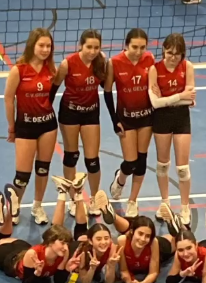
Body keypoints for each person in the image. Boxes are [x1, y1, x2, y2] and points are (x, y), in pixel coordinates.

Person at [0, 182, 82, 283]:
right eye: (62, 243)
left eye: (67, 244)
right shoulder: (33, 255)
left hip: (23, 247)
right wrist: (37, 273)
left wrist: (66, 268)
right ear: (50, 242)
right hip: (9, 258)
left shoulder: (63, 254)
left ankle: (10, 212)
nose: (65, 247)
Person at [50, 29, 107, 218]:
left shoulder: (101, 61)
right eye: (89, 47)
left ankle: (94, 198)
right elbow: (53, 89)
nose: (92, 51)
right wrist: (46, 112)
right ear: (80, 46)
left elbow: (105, 85)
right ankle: (74, 199)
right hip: (70, 112)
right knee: (71, 155)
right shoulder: (68, 64)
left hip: (91, 113)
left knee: (92, 160)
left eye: (96, 47)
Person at [4, 27, 57, 226]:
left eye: (48, 46)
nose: (45, 49)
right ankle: (15, 206)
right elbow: (9, 99)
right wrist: (12, 127)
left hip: (48, 126)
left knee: (43, 169)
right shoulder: (19, 70)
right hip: (25, 127)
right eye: (41, 45)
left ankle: (38, 206)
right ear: (32, 45)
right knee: (22, 175)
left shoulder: (52, 69)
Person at [104, 28, 155, 218]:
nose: (138, 51)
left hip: (146, 117)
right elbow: (107, 92)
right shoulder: (114, 62)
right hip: (126, 118)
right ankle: (120, 178)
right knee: (131, 162)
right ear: (126, 45)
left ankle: (132, 201)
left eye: (142, 47)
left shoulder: (149, 59)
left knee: (142, 161)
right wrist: (114, 119)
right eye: (134, 47)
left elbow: (155, 87)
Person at [148, 33, 195, 226]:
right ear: (163, 50)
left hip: (181, 118)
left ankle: (185, 207)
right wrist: (180, 96)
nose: (173, 57)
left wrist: (167, 99)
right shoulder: (154, 69)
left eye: (177, 53)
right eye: (169, 53)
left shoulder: (187, 67)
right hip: (161, 119)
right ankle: (165, 203)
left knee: (182, 169)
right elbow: (155, 103)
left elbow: (190, 99)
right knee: (162, 165)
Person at [94, 190, 175, 283]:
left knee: (175, 241)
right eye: (140, 234)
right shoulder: (122, 241)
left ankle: (176, 226)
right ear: (132, 232)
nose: (143, 238)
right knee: (133, 234)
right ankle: (112, 215)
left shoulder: (153, 242)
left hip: (158, 249)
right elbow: (124, 271)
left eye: (147, 236)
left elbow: (153, 272)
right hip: (131, 238)